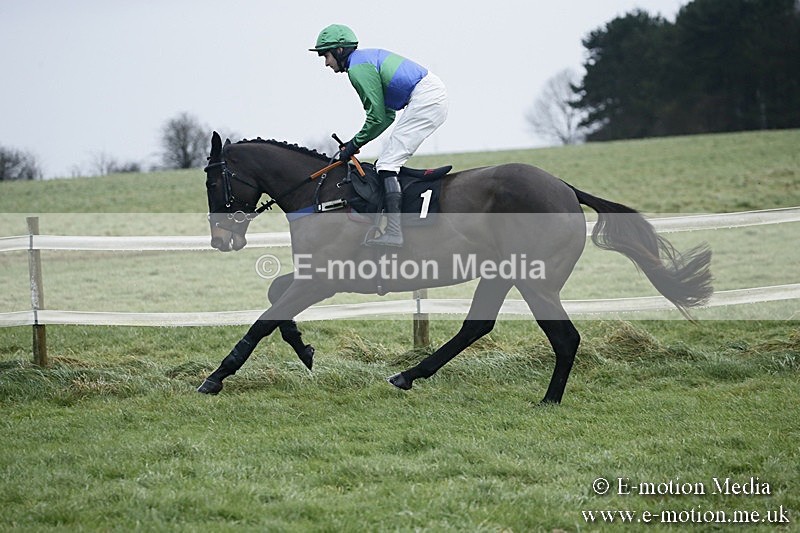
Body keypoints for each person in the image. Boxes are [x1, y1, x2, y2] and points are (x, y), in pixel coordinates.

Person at [310, 24, 448, 247]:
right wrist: (354, 144)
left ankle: (394, 232)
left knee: (386, 164)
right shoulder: (362, 61)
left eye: (326, 55)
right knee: (387, 162)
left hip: (426, 99)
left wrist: (353, 144)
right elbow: (386, 116)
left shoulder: (358, 69)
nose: (326, 63)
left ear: (340, 50)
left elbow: (376, 117)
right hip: (428, 96)